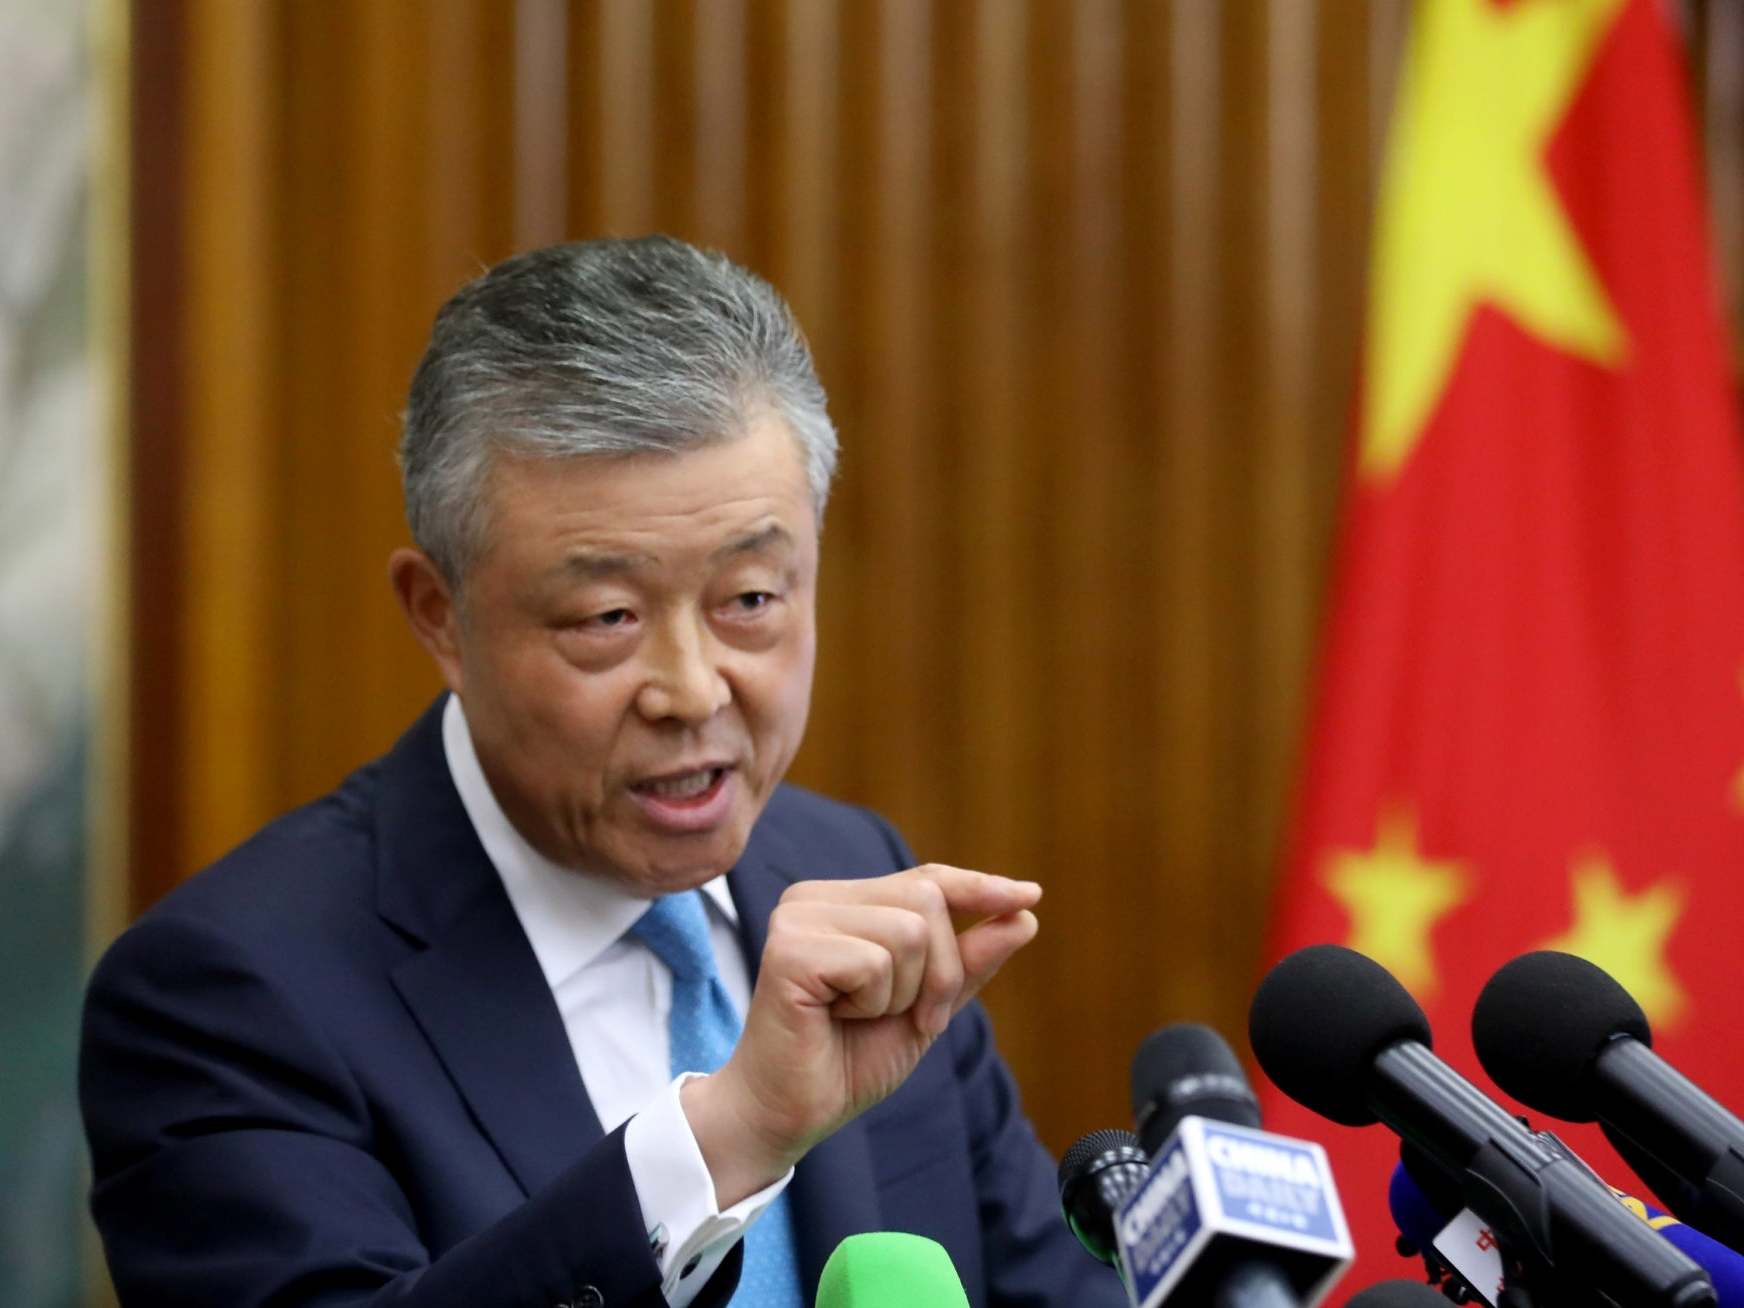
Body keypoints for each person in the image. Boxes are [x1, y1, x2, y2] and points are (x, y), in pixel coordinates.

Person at [80, 237, 1126, 1308]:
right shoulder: (232, 994)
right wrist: (726, 1138)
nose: (691, 690)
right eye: (607, 618)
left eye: (751, 600)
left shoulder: (856, 874)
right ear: (440, 616)